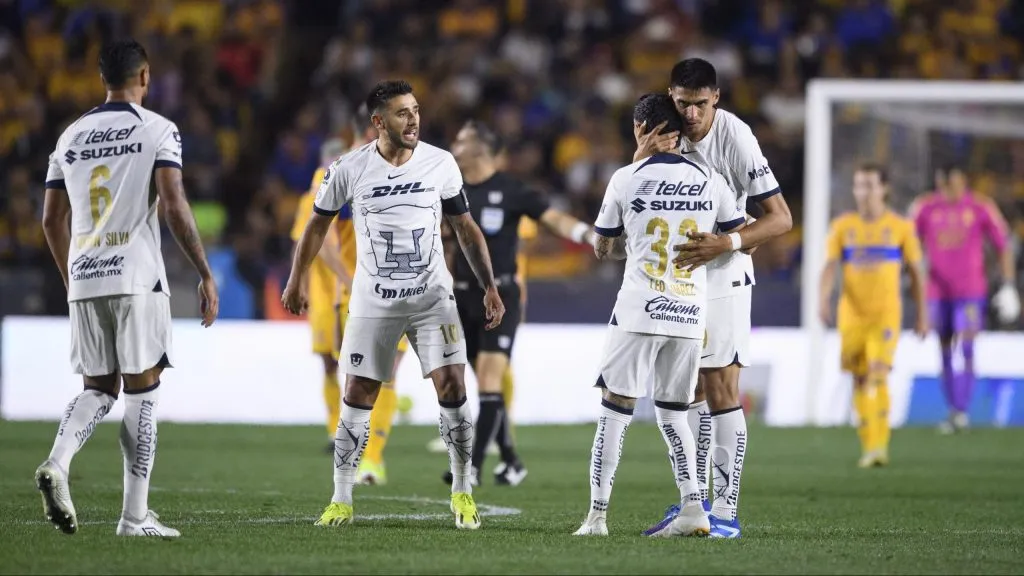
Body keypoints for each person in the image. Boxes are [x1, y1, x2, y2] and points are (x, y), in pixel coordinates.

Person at [282, 80, 504, 530]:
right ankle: (341, 498)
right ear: (378, 122)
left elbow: (464, 227)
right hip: (373, 302)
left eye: (417, 110)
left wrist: (489, 285)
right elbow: (315, 228)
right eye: (403, 113)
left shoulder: (440, 163)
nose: (414, 119)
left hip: (431, 301)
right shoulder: (348, 167)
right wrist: (296, 278)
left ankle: (462, 491)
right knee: (358, 394)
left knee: (453, 388)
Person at [35, 39, 219, 538]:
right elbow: (174, 203)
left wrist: (71, 275)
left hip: (86, 275)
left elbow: (51, 218)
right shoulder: (158, 129)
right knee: (142, 393)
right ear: (145, 76)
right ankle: (133, 517)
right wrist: (204, 271)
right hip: (136, 277)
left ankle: (58, 460)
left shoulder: (70, 136)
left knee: (97, 387)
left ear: (102, 78)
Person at [634, 58, 793, 538]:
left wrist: (727, 243)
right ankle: (694, 505)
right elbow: (635, 197)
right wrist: (640, 153)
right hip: (680, 281)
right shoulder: (667, 131)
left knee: (722, 390)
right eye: (683, 104)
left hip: (724, 277)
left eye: (700, 105)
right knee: (689, 394)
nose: (691, 115)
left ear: (716, 98)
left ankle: (725, 513)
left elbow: (780, 218)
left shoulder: (736, 138)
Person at [574, 93, 746, 538]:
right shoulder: (710, 178)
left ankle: (596, 517)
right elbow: (734, 236)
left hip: (638, 309)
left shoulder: (626, 178)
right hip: (689, 312)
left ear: (642, 130)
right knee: (674, 414)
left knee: (615, 411)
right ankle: (694, 507)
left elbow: (602, 247)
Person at [436, 120, 596, 487]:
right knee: (476, 384)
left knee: (491, 380)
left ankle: (471, 467)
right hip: (459, 298)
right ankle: (511, 459)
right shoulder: (449, 190)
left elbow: (552, 217)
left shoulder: (511, 190)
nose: (454, 146)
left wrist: (587, 234)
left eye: (461, 140)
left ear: (479, 148)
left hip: (501, 297)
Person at [819, 164, 928, 467]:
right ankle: (869, 445)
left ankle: (880, 445)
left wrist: (922, 314)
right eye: (858, 186)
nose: (863, 193)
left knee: (878, 373)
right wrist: (822, 299)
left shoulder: (900, 227)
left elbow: (917, 273)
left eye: (869, 185)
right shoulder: (843, 226)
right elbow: (829, 266)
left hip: (886, 314)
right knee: (859, 378)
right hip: (852, 315)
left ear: (884, 189)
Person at [910, 165, 1019, 433]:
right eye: (943, 185)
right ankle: (954, 410)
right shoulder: (925, 208)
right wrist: (909, 273)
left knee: (967, 345)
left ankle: (962, 409)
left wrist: (1008, 285)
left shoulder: (981, 207)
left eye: (953, 184)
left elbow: (1003, 245)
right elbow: (909, 242)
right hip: (937, 290)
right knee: (944, 346)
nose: (948, 190)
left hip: (970, 290)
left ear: (963, 183)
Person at [290, 138, 351, 452]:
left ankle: (353, 428)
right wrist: (297, 281)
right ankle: (335, 429)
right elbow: (308, 243)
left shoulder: (352, 193)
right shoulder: (313, 196)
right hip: (325, 292)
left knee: (351, 361)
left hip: (347, 289)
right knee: (330, 362)